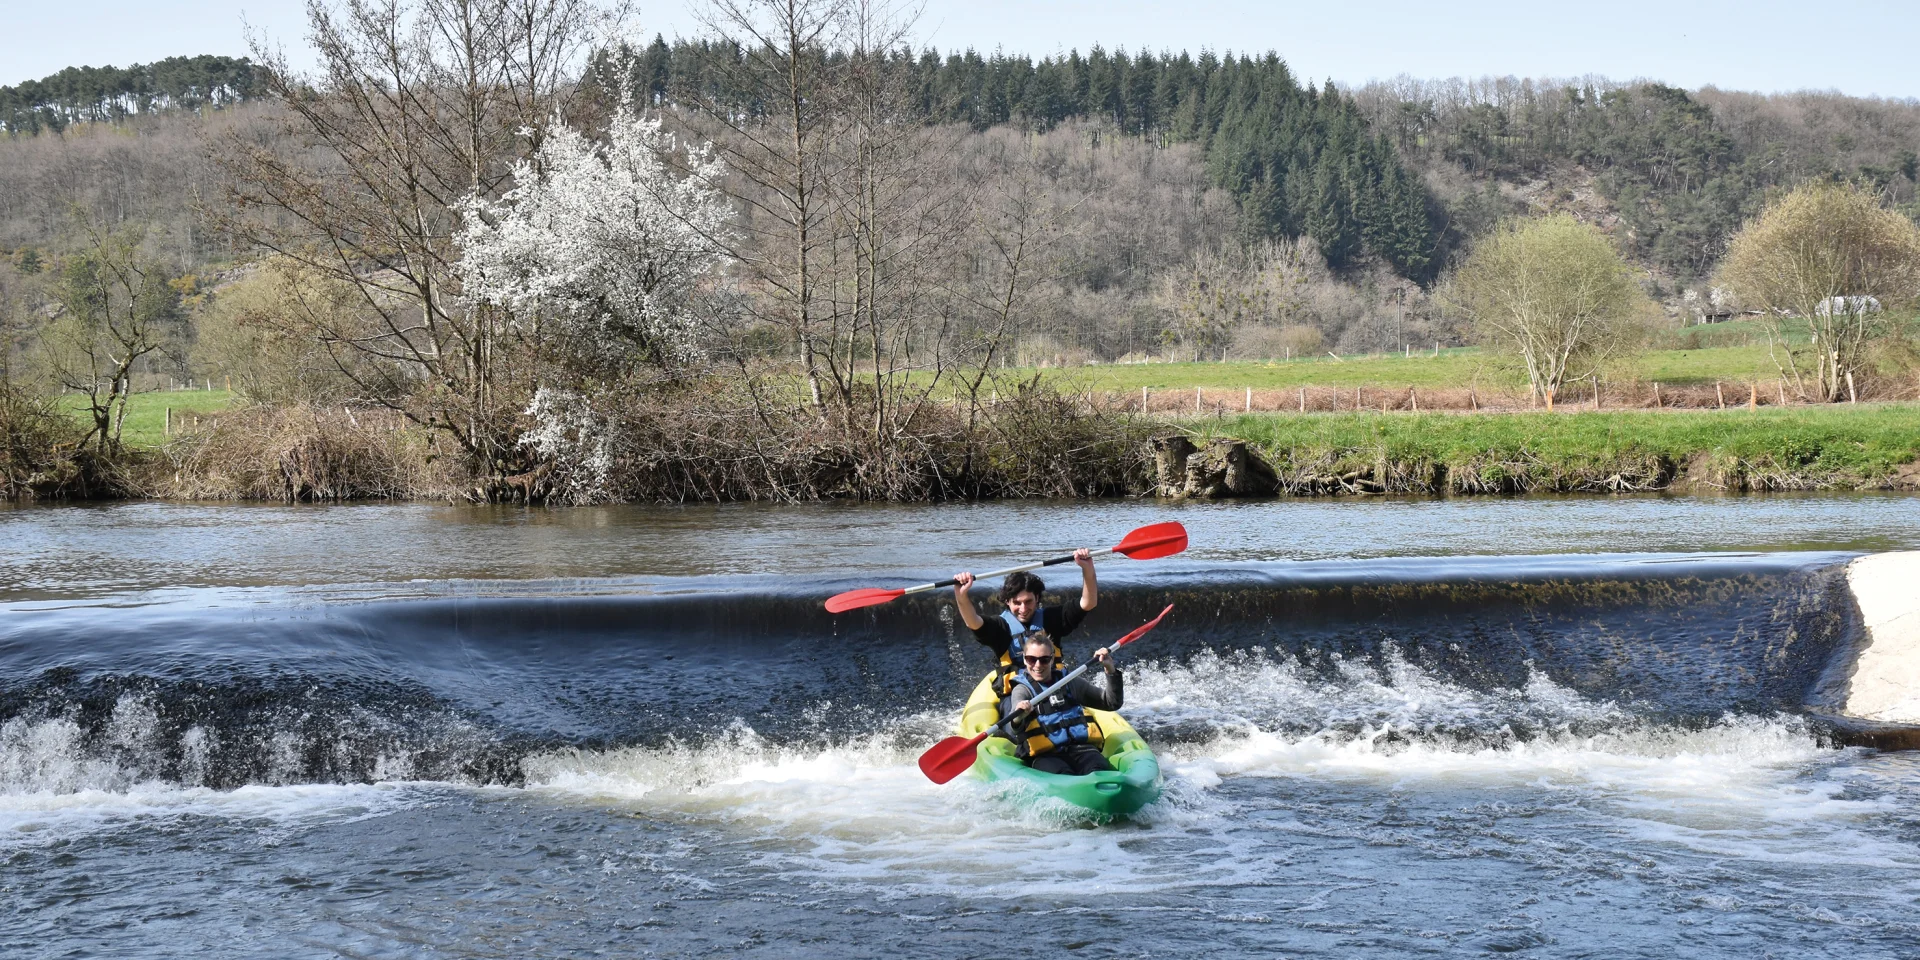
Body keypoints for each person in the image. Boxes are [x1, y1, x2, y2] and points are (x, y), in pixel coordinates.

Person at [951, 548, 1098, 696]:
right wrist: (961, 595)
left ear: (1037, 598)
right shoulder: (1000, 627)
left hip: (1054, 688)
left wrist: (1087, 568)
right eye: (1017, 602)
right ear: (1007, 601)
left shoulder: (1051, 619)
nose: (1023, 608)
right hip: (1016, 694)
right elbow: (973, 622)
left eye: (1028, 601)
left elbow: (1088, 603)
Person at [1000, 634, 1123, 775]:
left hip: (1083, 750)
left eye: (1044, 660)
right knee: (1063, 774)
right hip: (1046, 756)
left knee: (1099, 770)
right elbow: (1013, 726)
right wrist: (1019, 714)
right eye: (1031, 659)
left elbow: (1111, 703)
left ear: (1052, 659)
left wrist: (1110, 669)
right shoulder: (1022, 689)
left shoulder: (1069, 682)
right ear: (1024, 659)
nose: (1037, 665)